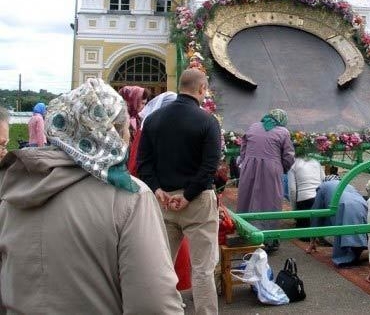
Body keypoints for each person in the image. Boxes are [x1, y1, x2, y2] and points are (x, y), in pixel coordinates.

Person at [0, 78, 183, 314]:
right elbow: (153, 304)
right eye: (126, 129)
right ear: (110, 135)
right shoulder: (130, 196)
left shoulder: (12, 189)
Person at [137, 69, 221, 315]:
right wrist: (188, 195)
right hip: (198, 203)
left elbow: (144, 162)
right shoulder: (207, 121)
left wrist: (157, 189)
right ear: (202, 89)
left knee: (160, 266)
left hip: (163, 202)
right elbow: (209, 166)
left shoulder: (153, 120)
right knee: (203, 269)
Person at [236, 108, 295, 252]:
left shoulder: (253, 126)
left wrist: (245, 162)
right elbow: (289, 156)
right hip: (271, 168)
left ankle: (246, 233)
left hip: (250, 166)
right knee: (270, 201)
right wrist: (282, 168)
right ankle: (268, 238)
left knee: (247, 197)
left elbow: (243, 150)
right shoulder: (283, 132)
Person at [306, 178, 368, 266]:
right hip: (362, 205)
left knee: (344, 252)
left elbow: (316, 214)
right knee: (358, 233)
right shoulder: (348, 184)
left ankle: (353, 256)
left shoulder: (323, 187)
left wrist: (312, 240)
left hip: (343, 206)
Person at [118, 85, 149, 175]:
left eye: (145, 103)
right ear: (132, 101)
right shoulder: (119, 120)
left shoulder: (139, 118)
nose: (144, 107)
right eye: (142, 103)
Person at [287, 157, 325, 230]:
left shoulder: (293, 165)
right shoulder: (316, 161)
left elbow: (292, 190)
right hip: (318, 197)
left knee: (303, 234)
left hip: (303, 201)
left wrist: (295, 210)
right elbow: (323, 179)